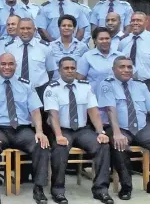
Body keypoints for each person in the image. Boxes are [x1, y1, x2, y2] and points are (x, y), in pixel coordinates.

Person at [98, 56, 150, 200]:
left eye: (129, 67)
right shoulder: (107, 84)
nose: (126, 70)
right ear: (114, 70)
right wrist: (117, 133)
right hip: (119, 127)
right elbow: (110, 109)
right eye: (122, 67)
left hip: (141, 127)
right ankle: (126, 186)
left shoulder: (140, 85)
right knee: (119, 145)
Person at [0, 53, 50, 204]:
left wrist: (40, 132)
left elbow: (35, 110)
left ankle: (39, 188)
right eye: (3, 64)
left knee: (41, 144)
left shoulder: (26, 84)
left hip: (22, 130)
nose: (7, 67)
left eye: (10, 64)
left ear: (16, 66)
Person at [44, 57, 114, 204]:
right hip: (62, 130)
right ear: (59, 70)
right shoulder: (52, 88)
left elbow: (93, 111)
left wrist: (100, 132)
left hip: (82, 130)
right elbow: (53, 114)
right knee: (60, 148)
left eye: (72, 68)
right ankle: (58, 191)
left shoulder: (85, 86)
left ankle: (101, 190)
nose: (70, 71)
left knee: (103, 146)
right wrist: (58, 135)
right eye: (66, 68)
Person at [77, 27, 126, 125]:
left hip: (118, 101)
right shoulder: (87, 56)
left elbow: (129, 77)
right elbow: (79, 80)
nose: (105, 41)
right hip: (96, 102)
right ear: (95, 41)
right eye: (101, 39)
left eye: (107, 38)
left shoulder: (120, 56)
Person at [50, 15, 88, 81]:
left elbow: (85, 68)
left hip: (76, 84)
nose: (66, 28)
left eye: (70, 26)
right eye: (63, 25)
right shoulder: (50, 46)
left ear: (74, 28)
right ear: (59, 28)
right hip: (56, 85)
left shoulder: (82, 47)